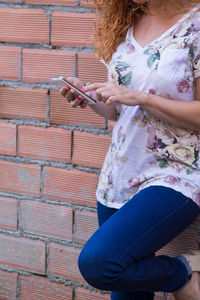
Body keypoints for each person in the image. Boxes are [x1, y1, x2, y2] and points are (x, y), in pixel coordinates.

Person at [60, 0, 200, 299]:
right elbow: (119, 110)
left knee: (101, 263)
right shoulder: (127, 20)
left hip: (177, 172)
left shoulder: (196, 25)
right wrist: (90, 98)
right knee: (126, 291)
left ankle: (182, 274)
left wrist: (142, 98)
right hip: (121, 172)